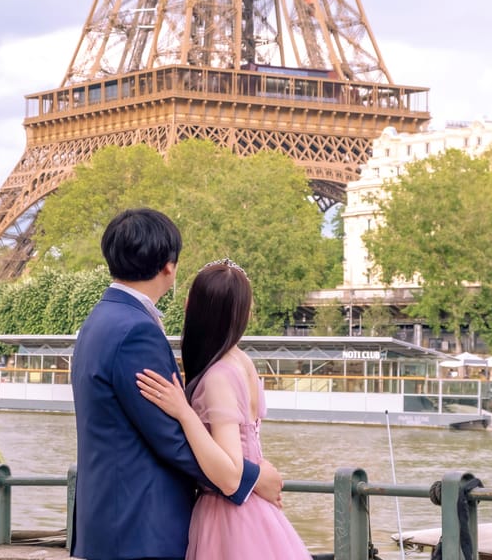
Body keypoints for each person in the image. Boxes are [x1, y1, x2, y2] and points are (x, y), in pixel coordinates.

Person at [70, 209, 283, 560]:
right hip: (141, 528)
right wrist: (250, 478)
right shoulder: (136, 332)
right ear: (169, 266)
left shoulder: (99, 320)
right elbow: (171, 438)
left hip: (111, 522)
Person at [136, 258, 311, 560]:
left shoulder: (218, 375)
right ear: (242, 314)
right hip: (250, 513)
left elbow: (230, 476)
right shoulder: (240, 361)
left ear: (193, 306)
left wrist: (184, 411)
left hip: (228, 515)